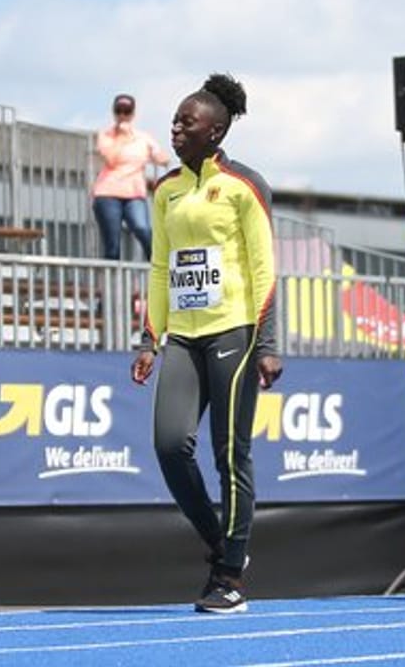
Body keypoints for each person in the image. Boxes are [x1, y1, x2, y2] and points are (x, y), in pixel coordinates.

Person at [130, 73, 281, 614]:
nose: (175, 128)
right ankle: (223, 544)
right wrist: (150, 338)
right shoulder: (166, 189)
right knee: (170, 446)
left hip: (234, 333)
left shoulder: (245, 185)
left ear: (215, 132)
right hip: (183, 340)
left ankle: (230, 576)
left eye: (186, 122)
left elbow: (264, 266)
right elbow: (160, 266)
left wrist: (267, 342)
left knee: (229, 452)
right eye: (173, 120)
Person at [92, 93, 169, 260]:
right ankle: (111, 283)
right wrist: (122, 137)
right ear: (114, 113)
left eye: (126, 111)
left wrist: (159, 157)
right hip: (108, 193)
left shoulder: (143, 138)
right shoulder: (105, 135)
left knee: (143, 229)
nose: (122, 115)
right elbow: (111, 159)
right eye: (119, 111)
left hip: (134, 193)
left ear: (132, 114)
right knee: (112, 243)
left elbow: (161, 157)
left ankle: (158, 267)